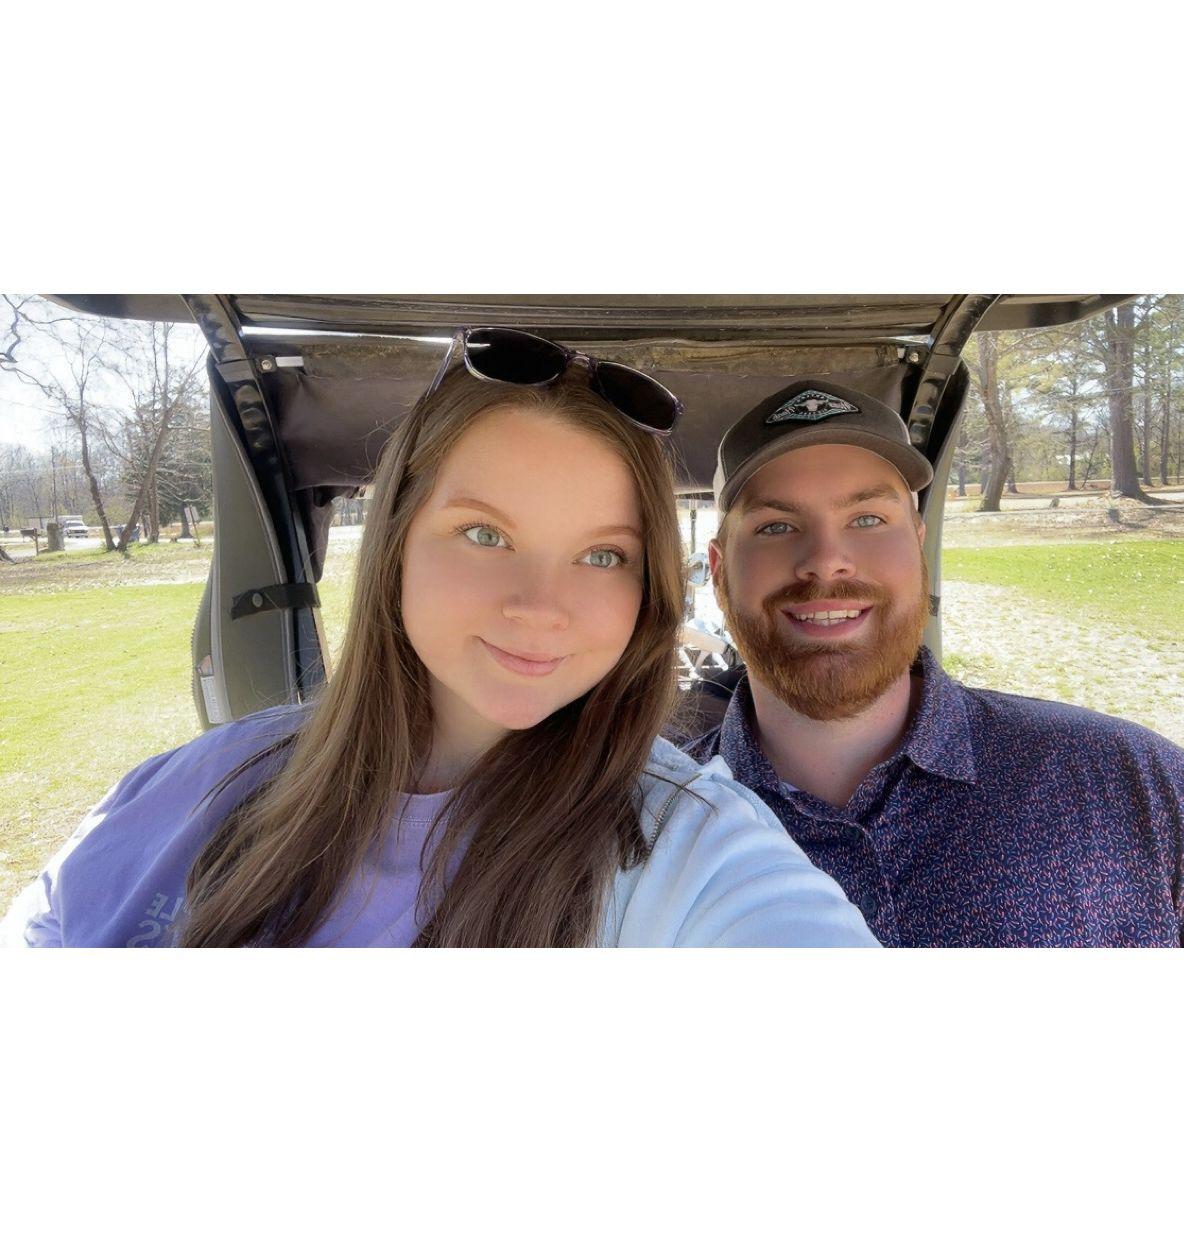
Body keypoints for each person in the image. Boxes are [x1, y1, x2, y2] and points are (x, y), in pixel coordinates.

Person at [2, 330, 875, 949]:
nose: (540, 607)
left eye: (603, 555)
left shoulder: (692, 853)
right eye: (485, 534)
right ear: (396, 541)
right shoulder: (186, 788)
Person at [683, 379, 1184, 947]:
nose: (827, 562)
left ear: (918, 544)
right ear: (720, 571)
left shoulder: (1145, 789)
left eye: (868, 519)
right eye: (776, 527)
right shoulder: (650, 827)